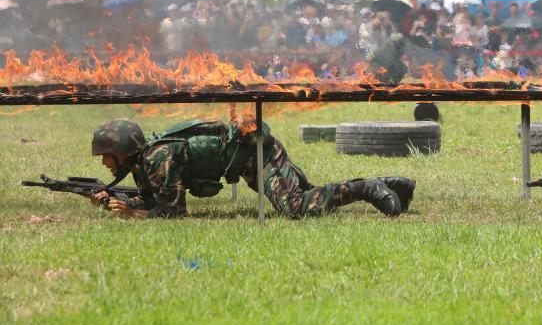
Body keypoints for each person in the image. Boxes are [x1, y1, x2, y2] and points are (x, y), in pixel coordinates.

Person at [88, 118, 416, 219]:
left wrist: (132, 214)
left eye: (106, 156)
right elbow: (156, 200)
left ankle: (367, 188)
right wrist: (114, 201)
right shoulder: (146, 161)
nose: (104, 162)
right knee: (308, 196)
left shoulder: (157, 159)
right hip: (250, 158)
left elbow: (172, 212)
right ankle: (390, 183)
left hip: (258, 155)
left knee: (296, 207)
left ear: (122, 151)